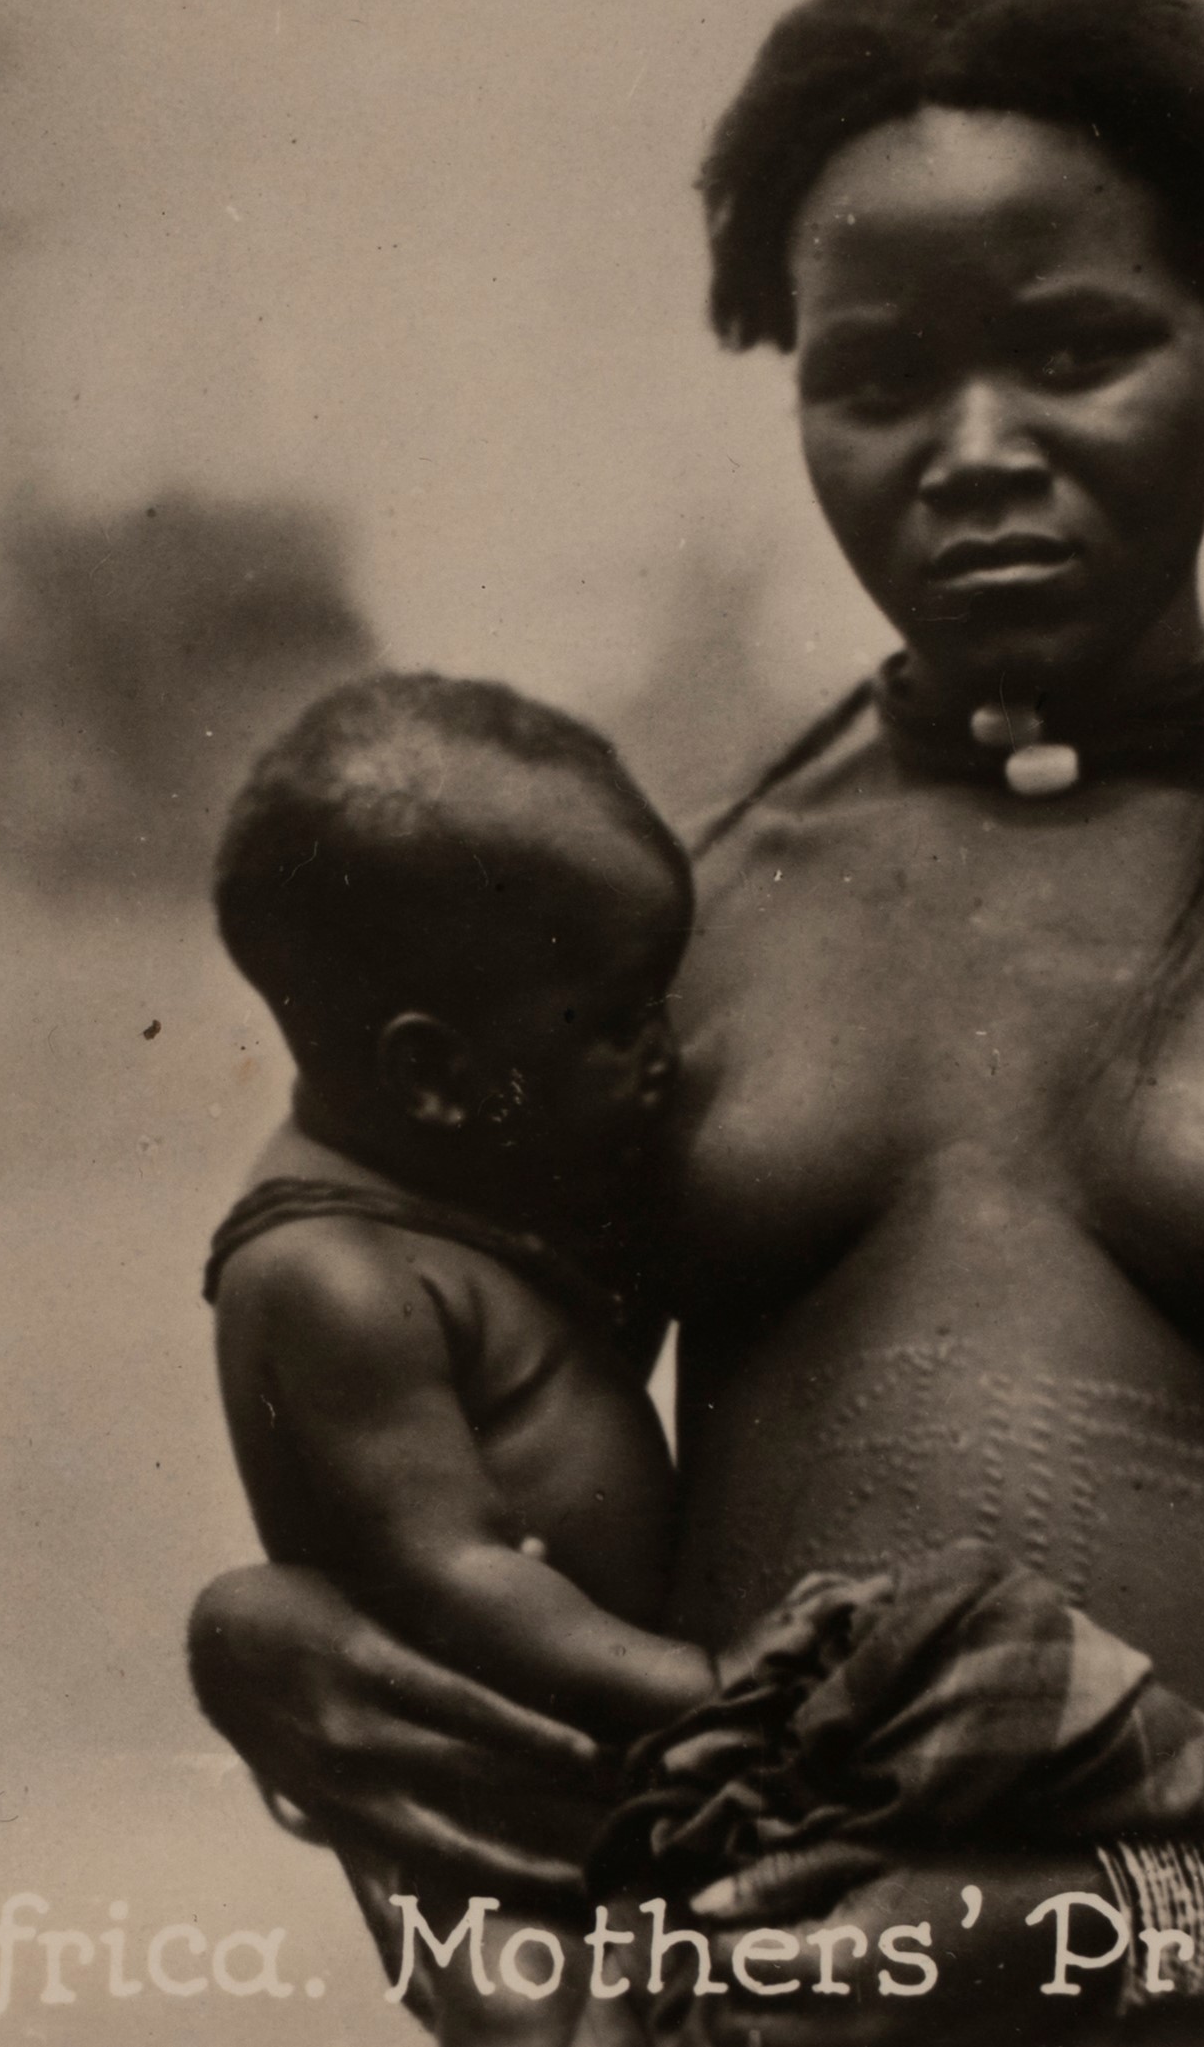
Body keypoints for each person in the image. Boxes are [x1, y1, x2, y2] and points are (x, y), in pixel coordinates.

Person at [193, 0, 1204, 2042]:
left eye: (1076, 348)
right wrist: (267, 1637)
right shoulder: (658, 932)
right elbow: (404, 1441)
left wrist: (1122, 1922)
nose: (974, 445)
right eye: (877, 379)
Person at [204, 672, 702, 2041]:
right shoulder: (331, 1272)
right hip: (486, 1817)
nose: (667, 1046)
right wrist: (711, 1690)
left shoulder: (463, 1178)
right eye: (616, 1021)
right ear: (433, 1073)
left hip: (592, 1777)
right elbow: (454, 1567)